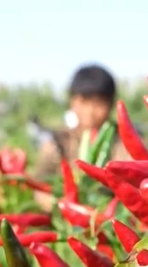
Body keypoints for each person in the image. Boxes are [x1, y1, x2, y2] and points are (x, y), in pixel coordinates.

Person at [31, 64, 130, 212]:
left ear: (111, 104)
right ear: (72, 102)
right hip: (64, 218)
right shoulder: (58, 143)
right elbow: (39, 187)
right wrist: (65, 206)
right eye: (83, 102)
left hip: (110, 219)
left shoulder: (123, 143)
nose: (90, 111)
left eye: (98, 103)